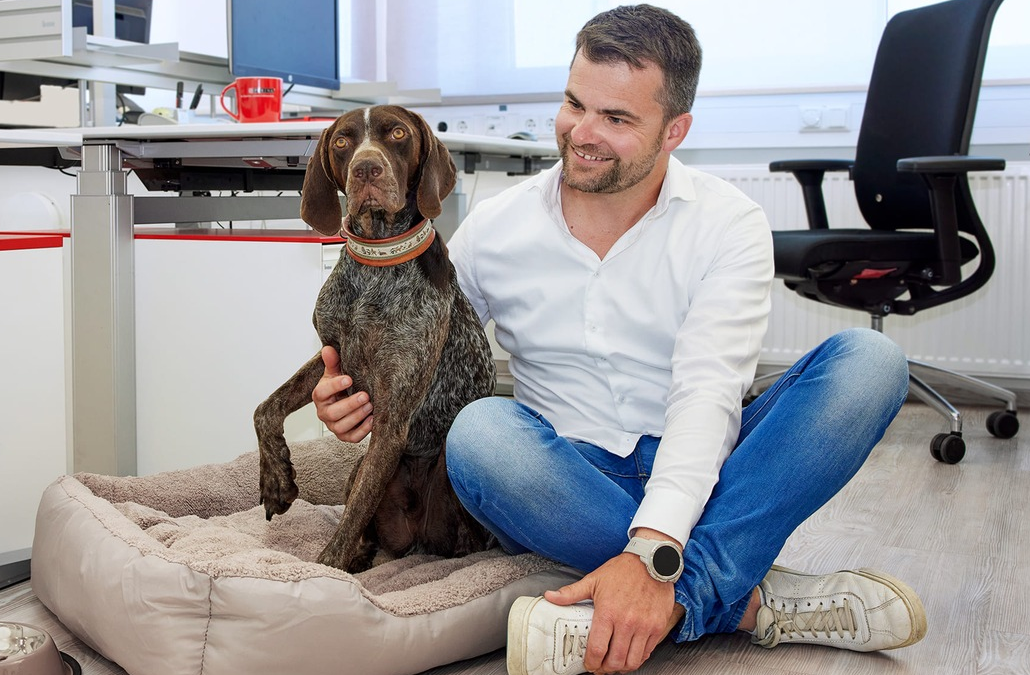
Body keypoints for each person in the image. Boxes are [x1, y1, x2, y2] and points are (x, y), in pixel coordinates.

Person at [314, 5, 923, 674]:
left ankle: (669, 597)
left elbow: (708, 395)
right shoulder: (496, 226)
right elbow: (422, 345)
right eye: (575, 103)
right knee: (481, 435)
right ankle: (742, 595)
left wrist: (656, 543)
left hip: (706, 464)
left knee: (871, 361)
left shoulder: (729, 223)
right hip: (562, 476)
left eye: (618, 118)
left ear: (675, 130)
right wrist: (347, 397)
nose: (583, 134)